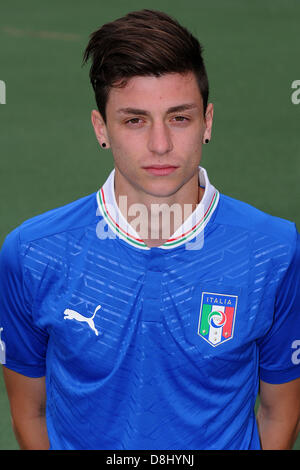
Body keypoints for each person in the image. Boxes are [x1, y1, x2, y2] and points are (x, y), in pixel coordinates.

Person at [0, 9, 300, 451]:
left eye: (179, 118)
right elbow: (28, 410)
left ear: (208, 121)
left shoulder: (273, 250)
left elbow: (280, 409)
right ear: (101, 128)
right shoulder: (32, 253)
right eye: (135, 120)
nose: (160, 144)